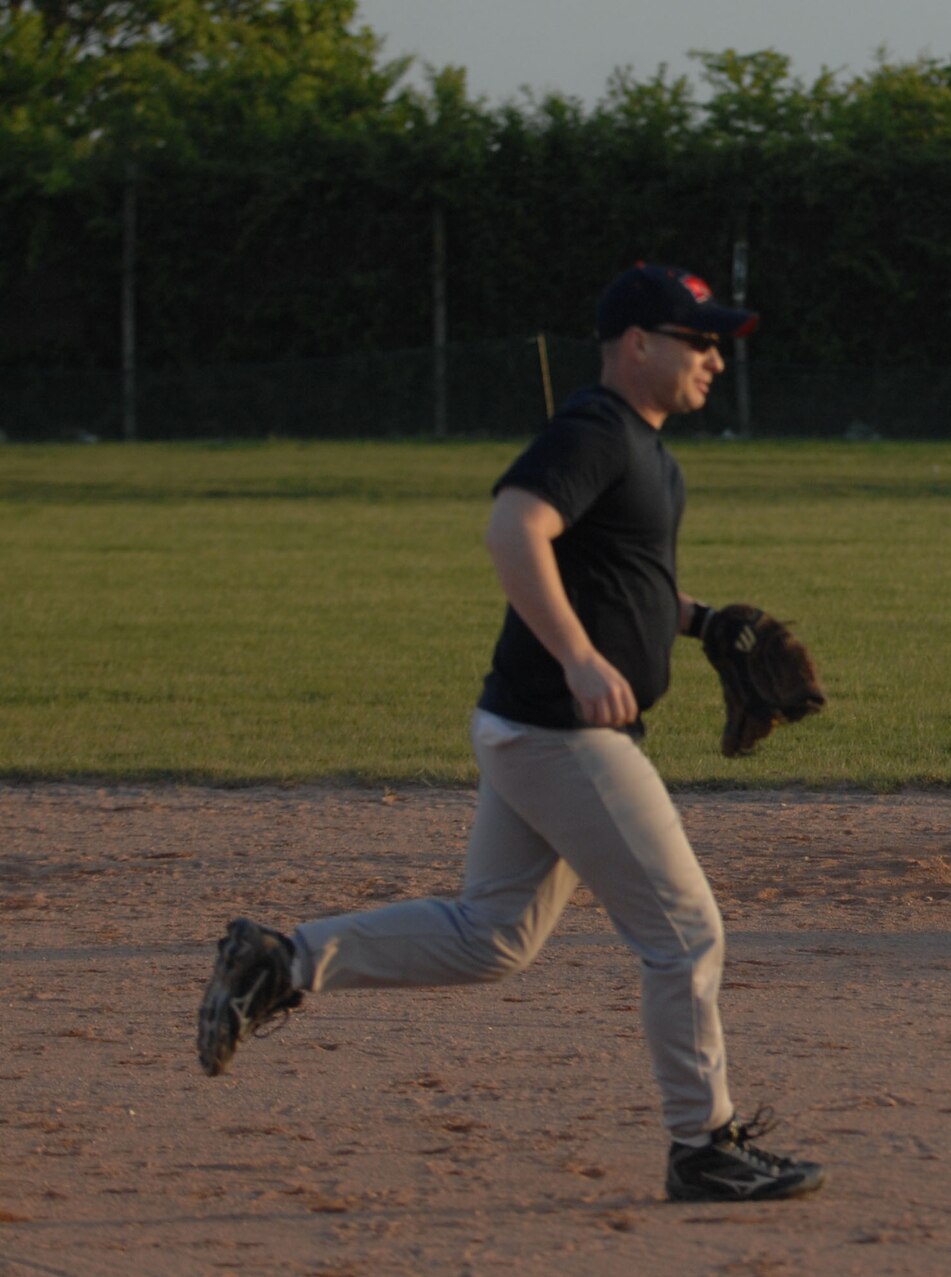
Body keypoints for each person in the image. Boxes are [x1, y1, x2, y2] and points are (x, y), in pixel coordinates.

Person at [195, 263, 828, 1204]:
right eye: (698, 342)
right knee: (687, 933)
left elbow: (617, 577)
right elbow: (512, 530)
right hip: (564, 732)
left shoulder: (650, 452)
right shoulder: (595, 430)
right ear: (637, 345)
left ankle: (280, 960)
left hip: (530, 727)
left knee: (493, 935)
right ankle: (705, 1145)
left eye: (717, 344)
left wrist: (698, 622)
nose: (714, 360)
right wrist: (578, 657)